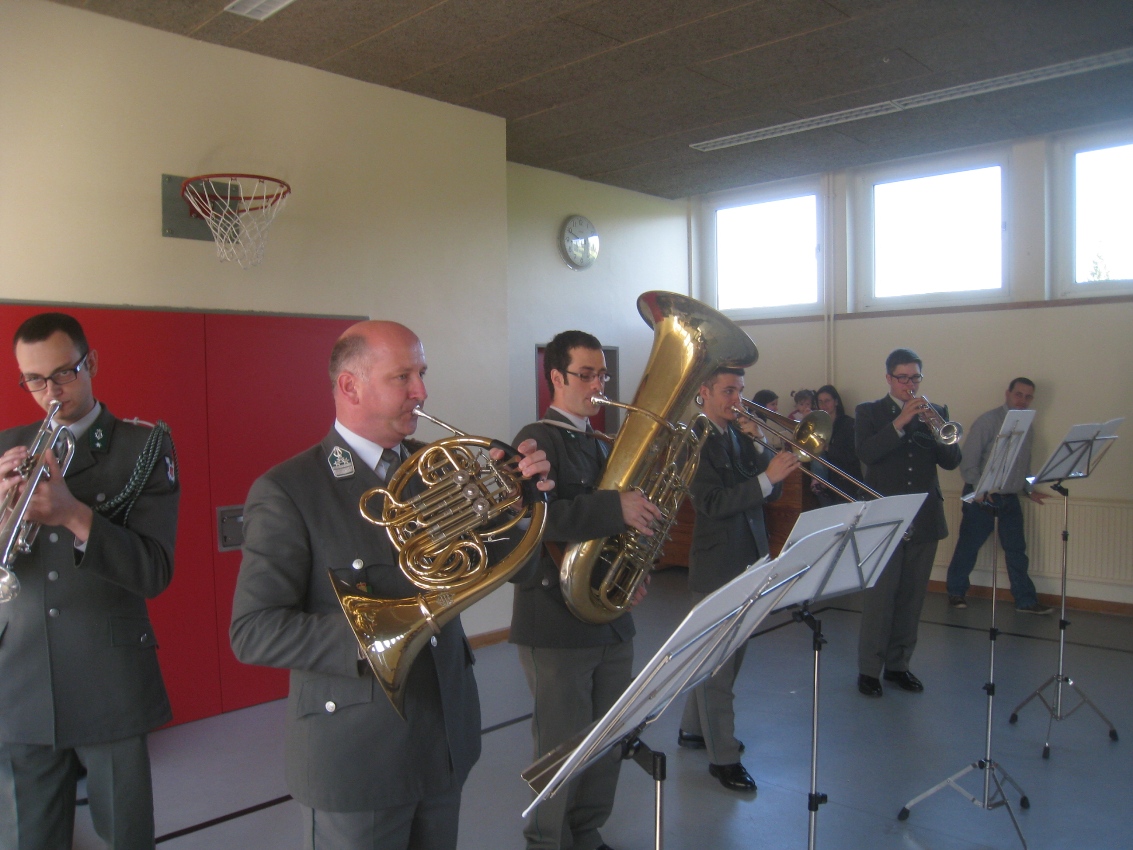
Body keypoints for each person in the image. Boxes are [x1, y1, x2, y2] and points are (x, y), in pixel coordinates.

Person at [230, 320, 551, 850]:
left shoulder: (440, 470)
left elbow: (519, 568)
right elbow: (253, 631)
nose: (421, 391)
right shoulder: (290, 489)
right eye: (403, 376)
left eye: (421, 373)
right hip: (357, 753)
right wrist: (379, 637)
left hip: (444, 733)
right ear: (350, 387)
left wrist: (520, 509)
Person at [0, 312, 180, 850]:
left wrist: (74, 514)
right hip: (21, 674)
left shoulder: (142, 447)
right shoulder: (8, 444)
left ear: (92, 363)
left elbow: (154, 570)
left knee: (125, 833)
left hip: (109, 674)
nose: (50, 392)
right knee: (28, 835)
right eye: (34, 379)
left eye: (63, 373)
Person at [510, 330, 661, 850]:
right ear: (556, 377)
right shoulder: (536, 439)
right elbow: (534, 519)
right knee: (561, 745)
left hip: (609, 617)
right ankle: (546, 841)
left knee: (608, 737)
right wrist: (614, 507)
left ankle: (587, 832)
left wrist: (629, 576)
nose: (599, 385)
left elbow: (614, 533)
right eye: (586, 375)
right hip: (555, 619)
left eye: (602, 375)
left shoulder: (600, 442)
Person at [677, 367, 798, 792]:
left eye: (740, 391)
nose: (737, 400)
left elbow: (774, 492)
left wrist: (761, 446)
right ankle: (723, 757)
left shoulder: (736, 434)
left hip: (749, 557)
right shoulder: (692, 440)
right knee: (719, 668)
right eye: (728, 391)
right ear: (704, 392)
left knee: (724, 658)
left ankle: (694, 730)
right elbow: (711, 503)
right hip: (717, 565)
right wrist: (766, 477)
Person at [855, 348, 961, 698]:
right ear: (889, 378)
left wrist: (937, 427)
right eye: (902, 378)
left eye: (915, 377)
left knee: (912, 598)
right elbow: (867, 453)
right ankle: (869, 670)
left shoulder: (936, 411)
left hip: (925, 518)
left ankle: (898, 665)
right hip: (885, 519)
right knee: (880, 599)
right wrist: (900, 422)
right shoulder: (869, 412)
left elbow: (951, 461)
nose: (909, 384)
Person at [945, 378, 1052, 614]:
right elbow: (968, 461)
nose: (1022, 400)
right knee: (968, 547)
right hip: (982, 497)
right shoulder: (988, 421)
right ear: (1008, 394)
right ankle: (956, 592)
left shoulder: (1027, 426)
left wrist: (1029, 489)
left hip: (1010, 498)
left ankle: (1025, 600)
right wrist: (979, 490)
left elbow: (1023, 465)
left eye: (1028, 396)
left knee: (1017, 551)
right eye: (1018, 394)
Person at [811, 384, 865, 506]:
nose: (823, 405)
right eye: (820, 401)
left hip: (846, 484)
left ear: (836, 402)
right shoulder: (817, 425)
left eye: (827, 401)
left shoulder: (849, 424)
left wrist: (827, 448)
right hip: (826, 486)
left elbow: (853, 455)